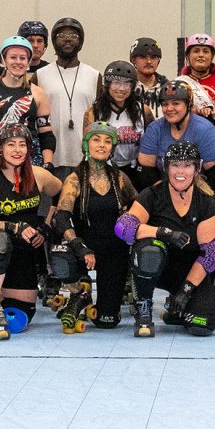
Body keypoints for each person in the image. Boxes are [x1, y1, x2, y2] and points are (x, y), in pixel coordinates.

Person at [114, 142, 215, 337]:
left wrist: (185, 291)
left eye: (187, 165)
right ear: (166, 167)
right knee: (149, 248)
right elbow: (122, 228)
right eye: (175, 165)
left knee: (203, 324)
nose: (180, 171)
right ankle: (144, 308)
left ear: (196, 169)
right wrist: (163, 233)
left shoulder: (206, 202)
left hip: (190, 273)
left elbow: (212, 254)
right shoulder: (153, 194)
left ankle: (177, 308)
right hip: (159, 267)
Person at [0, 124, 63, 340]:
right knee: (0, 240)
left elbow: (61, 193)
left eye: (22, 145)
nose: (17, 150)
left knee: (19, 318)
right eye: (11, 145)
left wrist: (46, 227)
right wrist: (12, 227)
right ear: (0, 149)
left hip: (23, 249)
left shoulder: (39, 175)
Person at [50, 122, 138, 330]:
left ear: (112, 148)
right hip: (84, 248)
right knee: (60, 252)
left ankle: (96, 301)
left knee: (107, 321)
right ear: (86, 145)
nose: (102, 145)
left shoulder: (119, 178)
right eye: (96, 140)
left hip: (113, 250)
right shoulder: (75, 179)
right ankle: (78, 293)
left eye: (107, 141)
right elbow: (62, 217)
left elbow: (139, 207)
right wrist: (79, 245)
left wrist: (130, 221)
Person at [0, 35, 55, 177]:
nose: (18, 62)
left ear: (28, 62)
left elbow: (46, 134)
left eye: (23, 58)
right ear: (3, 60)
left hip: (29, 158)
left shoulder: (38, 93)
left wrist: (48, 163)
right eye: (13, 57)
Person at [35, 17, 102, 178]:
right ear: (53, 41)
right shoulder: (40, 75)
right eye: (61, 35)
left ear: (81, 41)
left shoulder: (95, 76)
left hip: (85, 157)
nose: (67, 39)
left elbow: (102, 118)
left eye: (73, 35)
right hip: (50, 158)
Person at [136, 79, 215, 190]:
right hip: (163, 191)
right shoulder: (155, 130)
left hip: (199, 191)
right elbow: (146, 175)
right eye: (165, 104)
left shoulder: (205, 130)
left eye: (176, 103)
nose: (169, 109)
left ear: (188, 105)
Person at [83, 60, 151, 190]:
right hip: (104, 168)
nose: (121, 88)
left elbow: (152, 142)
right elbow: (87, 147)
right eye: (116, 83)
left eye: (127, 84)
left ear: (133, 87)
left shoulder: (143, 110)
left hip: (136, 169)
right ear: (107, 85)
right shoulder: (94, 112)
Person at [179, 33, 215, 115]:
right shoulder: (179, 84)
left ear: (212, 56)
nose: (201, 55)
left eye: (205, 51)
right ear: (187, 56)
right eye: (196, 51)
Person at [130, 37, 168, 119]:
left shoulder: (168, 87)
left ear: (159, 61)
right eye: (143, 57)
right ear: (133, 60)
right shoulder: (126, 87)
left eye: (153, 57)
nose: (149, 61)